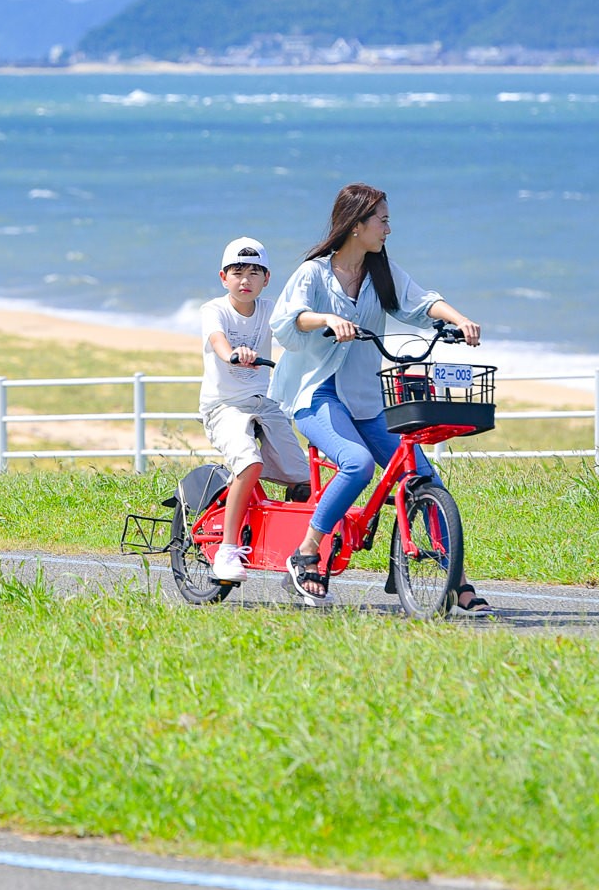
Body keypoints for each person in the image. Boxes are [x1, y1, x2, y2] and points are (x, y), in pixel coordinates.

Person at [268, 184, 491, 611]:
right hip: (317, 393)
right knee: (357, 463)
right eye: (382, 220)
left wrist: (460, 320)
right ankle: (307, 551)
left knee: (424, 478)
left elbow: (420, 302)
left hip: (366, 397)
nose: (388, 229)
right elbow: (288, 319)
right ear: (356, 225)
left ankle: (456, 578)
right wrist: (326, 319)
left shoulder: (381, 272)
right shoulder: (314, 273)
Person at [198, 236, 313, 584]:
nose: (245, 280)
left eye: (254, 273)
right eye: (237, 273)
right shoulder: (214, 310)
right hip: (224, 406)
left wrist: (325, 330)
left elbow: (293, 328)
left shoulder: (269, 309)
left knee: (306, 480)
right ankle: (227, 550)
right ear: (223, 278)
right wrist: (233, 353)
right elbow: (218, 340)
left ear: (267, 279)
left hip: (264, 403)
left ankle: (298, 557)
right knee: (250, 463)